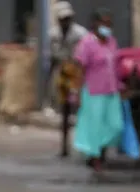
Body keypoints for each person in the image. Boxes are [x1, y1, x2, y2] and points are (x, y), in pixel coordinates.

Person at [71, 8, 124, 172]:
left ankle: (99, 149)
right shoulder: (87, 43)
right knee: (95, 126)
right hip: (94, 91)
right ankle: (96, 158)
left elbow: (115, 66)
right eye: (104, 23)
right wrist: (77, 92)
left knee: (116, 125)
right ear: (96, 24)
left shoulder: (112, 42)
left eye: (110, 24)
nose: (107, 27)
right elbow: (80, 68)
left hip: (111, 90)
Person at [48, 1, 87, 157]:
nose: (65, 21)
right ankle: (65, 146)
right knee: (64, 110)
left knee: (81, 109)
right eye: (63, 19)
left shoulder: (80, 33)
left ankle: (84, 145)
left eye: (68, 18)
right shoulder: (53, 34)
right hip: (63, 72)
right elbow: (52, 57)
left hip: (76, 72)